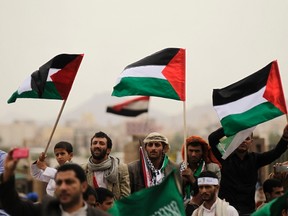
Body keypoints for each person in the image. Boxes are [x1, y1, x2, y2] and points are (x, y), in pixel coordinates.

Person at [208, 124, 288, 215]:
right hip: (226, 210)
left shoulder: (255, 159)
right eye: (240, 138)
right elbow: (212, 139)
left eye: (247, 138)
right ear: (235, 140)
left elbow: (275, 153)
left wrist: (285, 137)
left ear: (251, 142)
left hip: (247, 211)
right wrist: (234, 126)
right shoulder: (225, 157)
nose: (243, 141)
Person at [0, 149, 109, 216]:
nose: (63, 187)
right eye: (59, 182)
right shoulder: (46, 210)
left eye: (69, 182)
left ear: (83, 186)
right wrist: (8, 174)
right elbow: (13, 205)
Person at [82, 131, 130, 200]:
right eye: (94, 143)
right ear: (90, 148)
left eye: (101, 143)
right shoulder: (83, 169)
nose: (97, 146)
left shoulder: (120, 168)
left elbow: (125, 198)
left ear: (108, 150)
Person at [180, 135, 221, 201]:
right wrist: (182, 182)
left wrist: (192, 179)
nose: (193, 154)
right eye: (191, 151)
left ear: (203, 152)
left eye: (197, 151)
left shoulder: (213, 169)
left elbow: (213, 195)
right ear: (186, 151)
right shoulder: (177, 168)